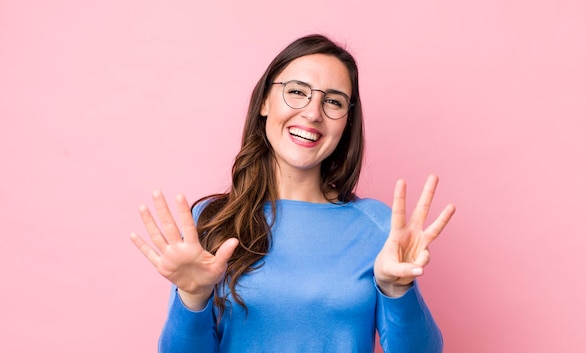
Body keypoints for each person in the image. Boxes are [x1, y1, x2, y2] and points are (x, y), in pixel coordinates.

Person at [130, 34, 456, 353]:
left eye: (333, 101)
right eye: (297, 91)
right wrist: (193, 298)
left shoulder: (378, 226)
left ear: (346, 122)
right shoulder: (213, 222)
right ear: (264, 103)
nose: (313, 113)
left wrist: (397, 289)